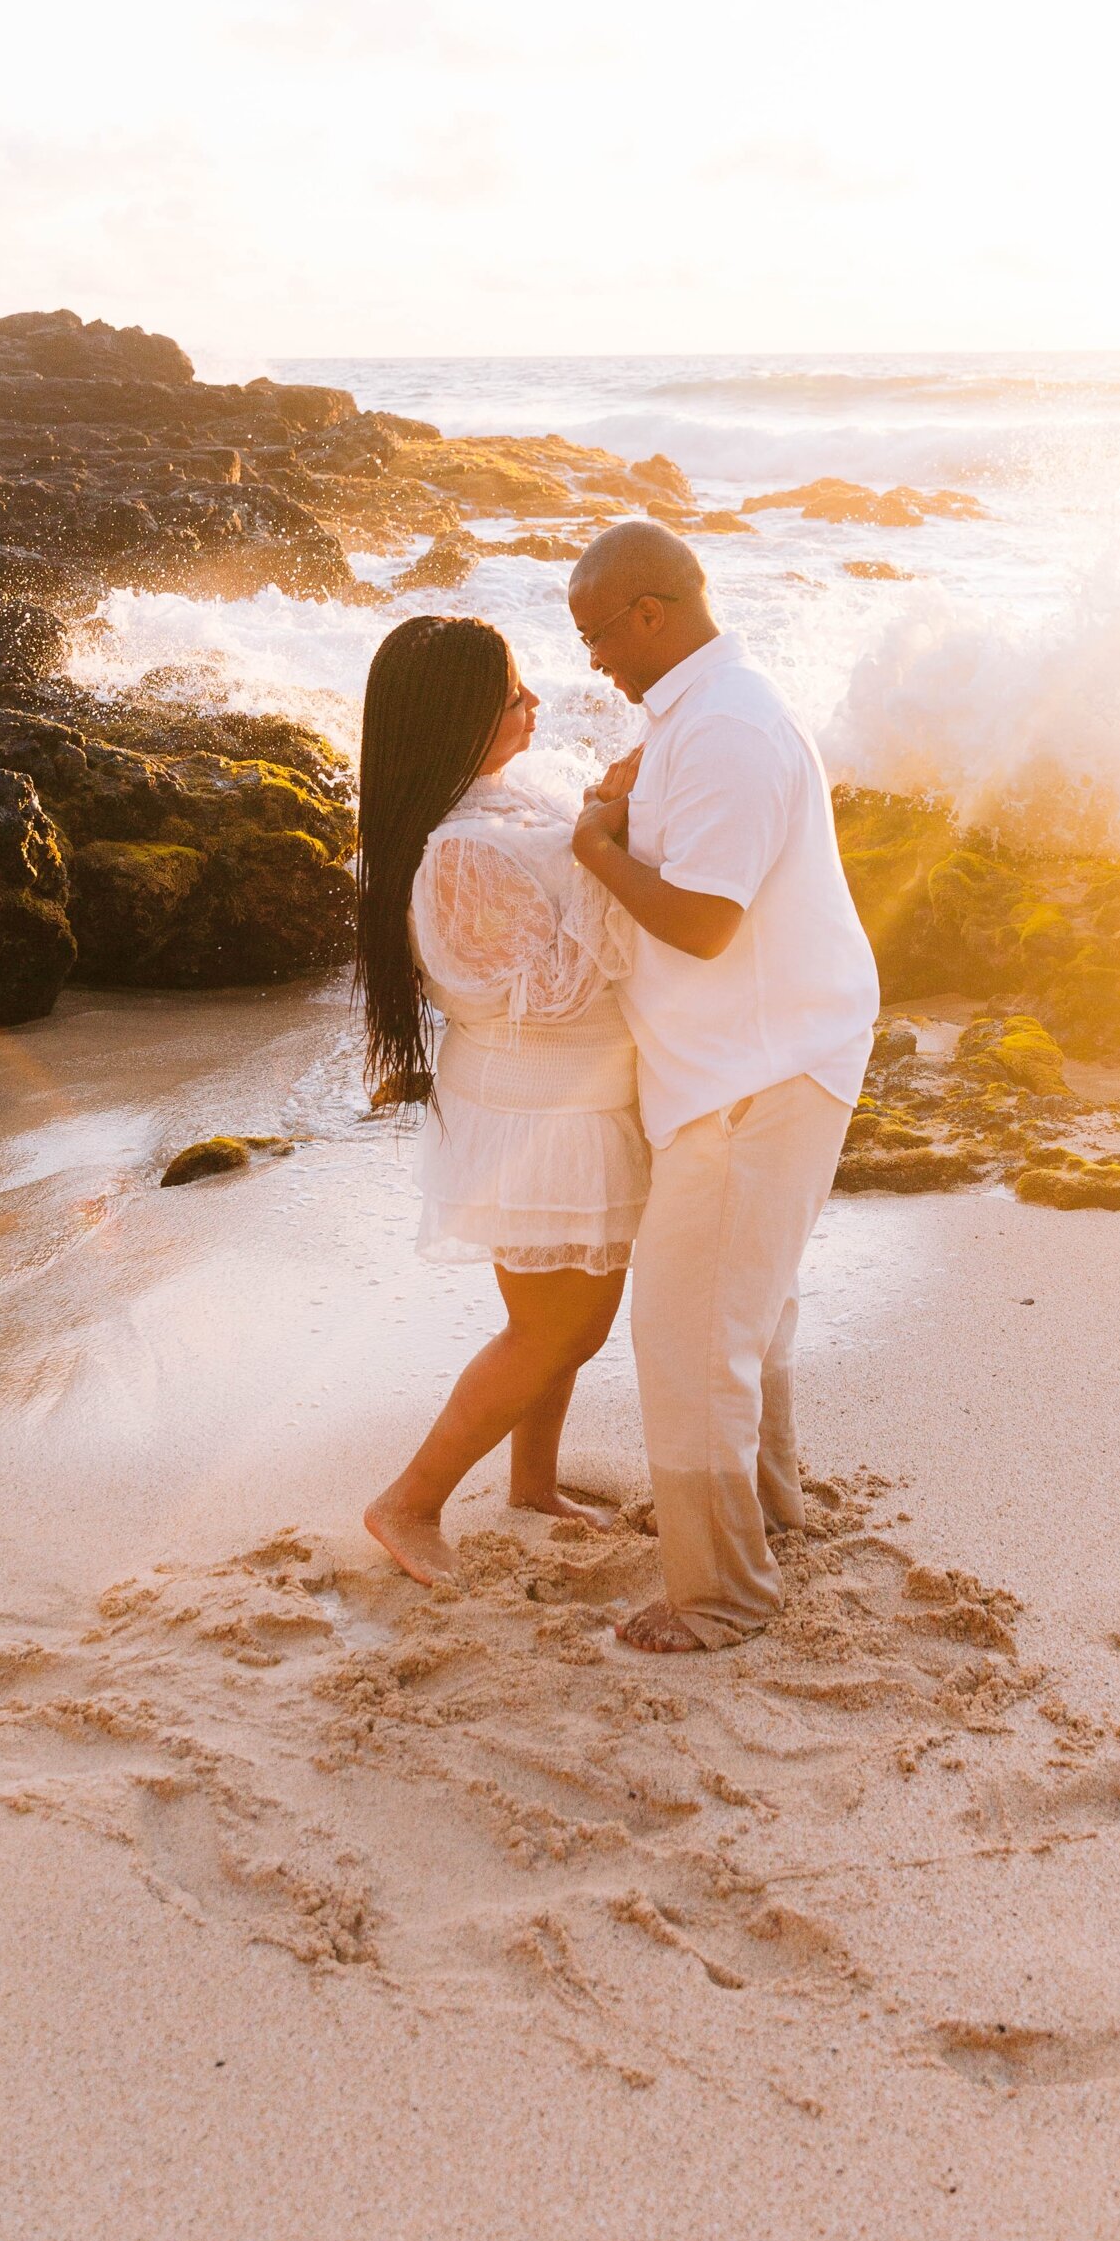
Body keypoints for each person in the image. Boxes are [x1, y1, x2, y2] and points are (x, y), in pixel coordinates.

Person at [569, 521, 880, 1652]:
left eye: (596, 634)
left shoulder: (729, 728)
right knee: (743, 1311)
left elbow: (702, 921)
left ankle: (720, 1597)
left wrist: (594, 847)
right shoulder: (698, 714)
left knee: (688, 1328)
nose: (591, 659)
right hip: (756, 1052)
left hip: (760, 1064)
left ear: (650, 613)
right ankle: (769, 1516)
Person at [358, 613, 648, 1587]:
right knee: (554, 1325)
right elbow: (549, 990)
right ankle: (408, 1503)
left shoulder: (503, 800)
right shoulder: (458, 852)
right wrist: (608, 859)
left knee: (566, 1318)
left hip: (564, 1102)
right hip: (539, 1113)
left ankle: (531, 1484)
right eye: (509, 692)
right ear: (454, 717)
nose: (533, 702)